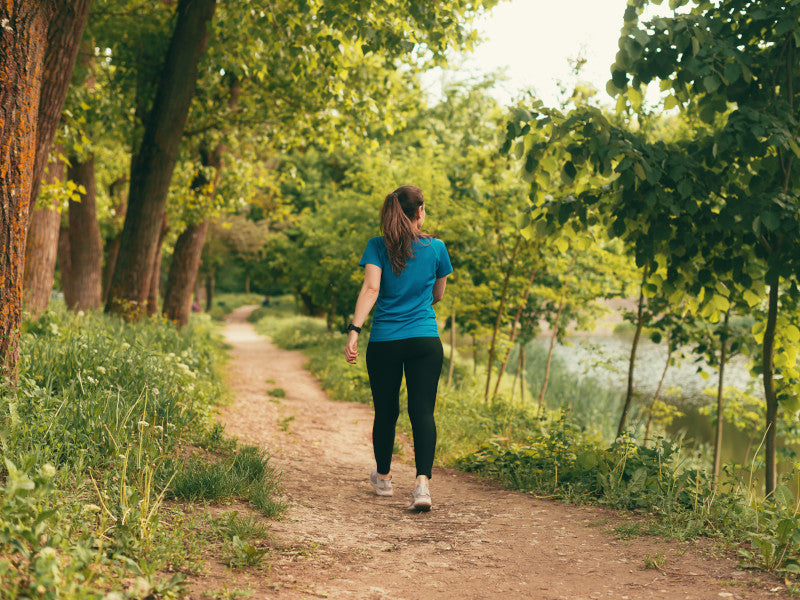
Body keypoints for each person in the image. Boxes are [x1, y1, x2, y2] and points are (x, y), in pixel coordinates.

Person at [344, 185, 453, 511]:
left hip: (385, 342)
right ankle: (422, 486)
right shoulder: (437, 248)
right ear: (419, 211)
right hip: (424, 340)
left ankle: (385, 478)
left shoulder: (377, 246)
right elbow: (438, 295)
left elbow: (371, 287)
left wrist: (354, 330)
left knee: (386, 411)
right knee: (422, 412)